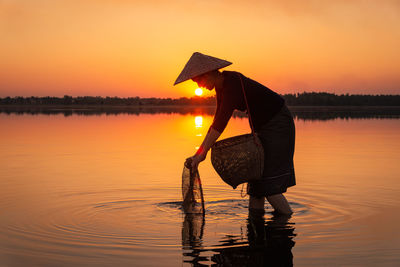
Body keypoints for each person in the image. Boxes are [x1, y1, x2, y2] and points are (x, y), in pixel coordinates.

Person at [174, 52, 296, 215]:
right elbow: (216, 120)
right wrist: (199, 153)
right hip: (262, 128)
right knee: (256, 182)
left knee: (267, 183)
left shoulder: (231, 84)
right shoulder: (221, 86)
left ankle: (287, 221)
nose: (199, 86)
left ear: (209, 72)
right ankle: (256, 230)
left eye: (199, 80)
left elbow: (220, 124)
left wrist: (202, 154)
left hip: (279, 125)